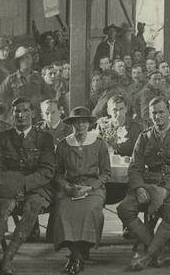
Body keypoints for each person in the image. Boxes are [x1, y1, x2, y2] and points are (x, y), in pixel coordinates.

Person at [119, 98, 170, 271]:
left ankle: (148, 255)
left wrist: (167, 190)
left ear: (169, 112)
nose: (158, 116)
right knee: (124, 209)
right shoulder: (144, 136)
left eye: (161, 112)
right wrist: (138, 187)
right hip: (149, 185)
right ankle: (158, 249)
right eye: (154, 112)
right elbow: (135, 167)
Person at [0, 97, 56, 275]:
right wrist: (13, 186)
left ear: (33, 113)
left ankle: (8, 257)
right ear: (12, 114)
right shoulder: (3, 138)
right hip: (8, 188)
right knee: (2, 206)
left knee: (33, 205)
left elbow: (47, 171)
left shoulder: (45, 139)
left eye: (26, 110)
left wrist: (23, 185)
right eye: (17, 111)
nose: (21, 115)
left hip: (36, 188)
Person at [52, 107, 111, 275]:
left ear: (89, 124)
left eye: (84, 121)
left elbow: (106, 173)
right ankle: (77, 254)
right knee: (63, 210)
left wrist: (91, 187)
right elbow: (57, 174)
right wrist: (66, 187)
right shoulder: (63, 145)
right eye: (77, 122)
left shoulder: (99, 143)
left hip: (93, 187)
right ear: (71, 124)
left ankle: (78, 254)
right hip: (70, 187)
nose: (81, 125)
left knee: (90, 209)